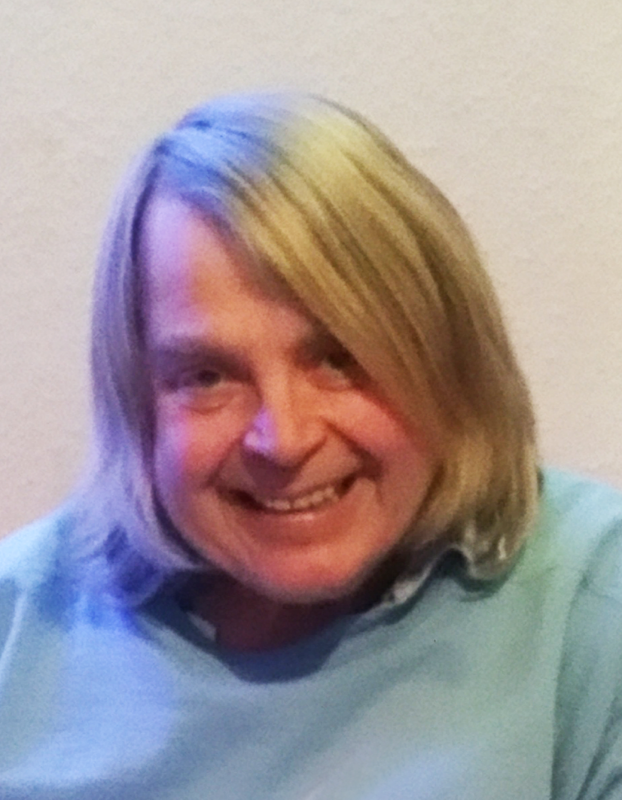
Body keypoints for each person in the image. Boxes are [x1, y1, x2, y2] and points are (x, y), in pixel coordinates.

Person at [1, 93, 621, 800]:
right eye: (206, 376)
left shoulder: (592, 609)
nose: (284, 440)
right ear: (136, 400)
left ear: (447, 357)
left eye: (339, 358)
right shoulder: (18, 628)